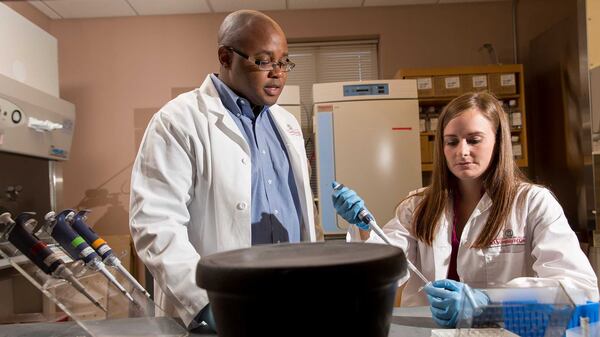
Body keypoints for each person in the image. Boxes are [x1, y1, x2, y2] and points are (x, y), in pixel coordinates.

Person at [332, 91, 599, 327]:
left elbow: (579, 288)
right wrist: (365, 230)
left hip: (505, 332)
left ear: (497, 142)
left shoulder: (532, 203)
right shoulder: (418, 206)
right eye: (452, 141)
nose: (462, 151)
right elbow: (386, 270)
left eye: (474, 140)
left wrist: (489, 302)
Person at [129, 10, 318, 331]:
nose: (278, 74)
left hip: (291, 300)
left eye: (284, 62)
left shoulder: (286, 125)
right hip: (220, 306)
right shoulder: (178, 121)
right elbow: (155, 222)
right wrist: (204, 302)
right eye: (264, 61)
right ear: (225, 57)